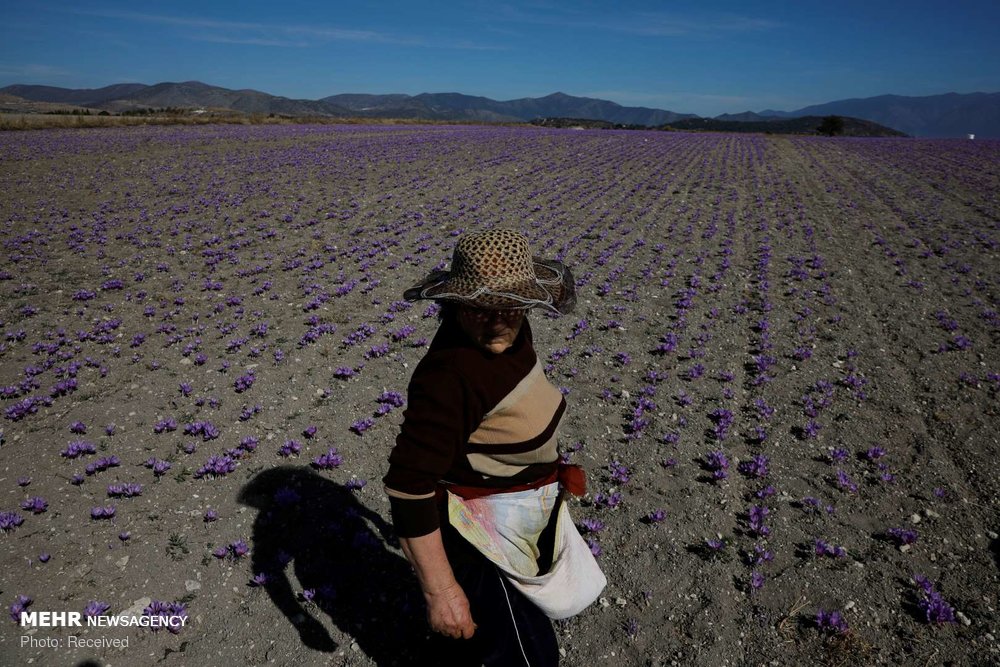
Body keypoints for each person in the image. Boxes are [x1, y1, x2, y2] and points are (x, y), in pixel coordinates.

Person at [383, 228, 587, 666]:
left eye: (510, 306)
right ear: (455, 305)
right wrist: (442, 591)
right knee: (528, 656)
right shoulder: (448, 379)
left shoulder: (509, 333)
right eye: (481, 309)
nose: (497, 320)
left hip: (520, 511)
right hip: (482, 535)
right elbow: (407, 486)